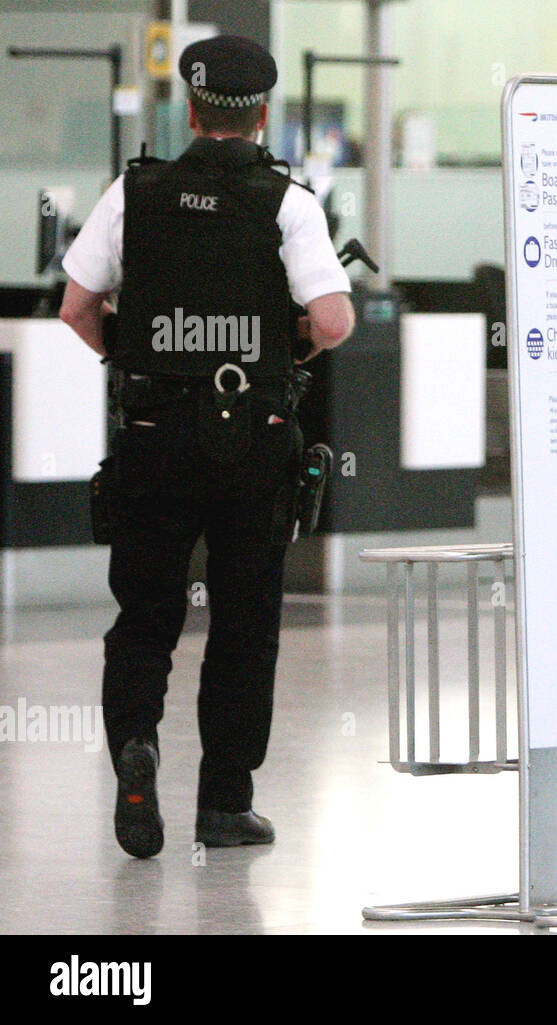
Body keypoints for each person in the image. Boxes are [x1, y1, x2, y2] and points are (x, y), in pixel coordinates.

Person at [59, 34, 354, 858]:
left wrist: (135, 353)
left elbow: (75, 308)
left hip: (152, 435)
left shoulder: (135, 192)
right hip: (252, 442)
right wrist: (291, 336)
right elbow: (332, 321)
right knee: (244, 620)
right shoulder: (286, 203)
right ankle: (225, 802)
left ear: (189, 110)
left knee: (145, 614)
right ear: (261, 115)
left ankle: (134, 750)